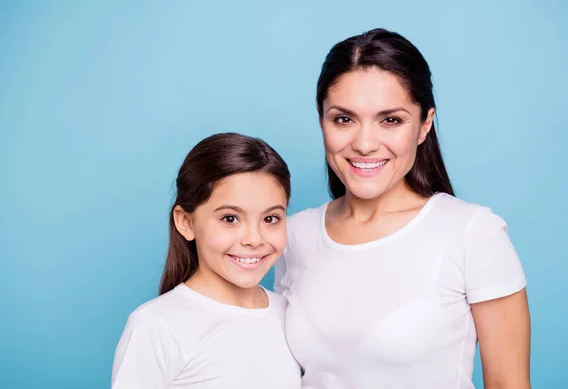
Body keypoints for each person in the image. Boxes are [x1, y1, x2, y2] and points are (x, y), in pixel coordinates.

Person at [275, 28, 531, 388]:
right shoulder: (293, 234)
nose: (364, 144)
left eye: (391, 120)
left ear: (425, 125)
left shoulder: (472, 233)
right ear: (322, 121)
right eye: (343, 119)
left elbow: (509, 382)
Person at [112, 133, 301, 389]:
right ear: (186, 222)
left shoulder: (291, 315)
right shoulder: (156, 325)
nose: (254, 239)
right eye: (230, 218)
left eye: (271, 219)